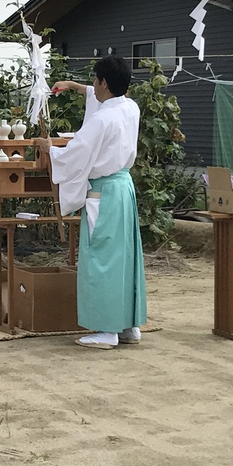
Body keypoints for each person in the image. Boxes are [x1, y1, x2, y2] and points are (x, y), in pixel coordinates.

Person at [34, 55, 146, 350]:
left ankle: (107, 330)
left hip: (104, 193)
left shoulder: (101, 119)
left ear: (104, 83)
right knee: (123, 257)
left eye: (96, 80)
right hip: (124, 189)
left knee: (101, 258)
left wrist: (51, 150)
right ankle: (128, 325)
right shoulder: (129, 108)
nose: (93, 86)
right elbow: (100, 99)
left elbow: (78, 153)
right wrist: (72, 85)